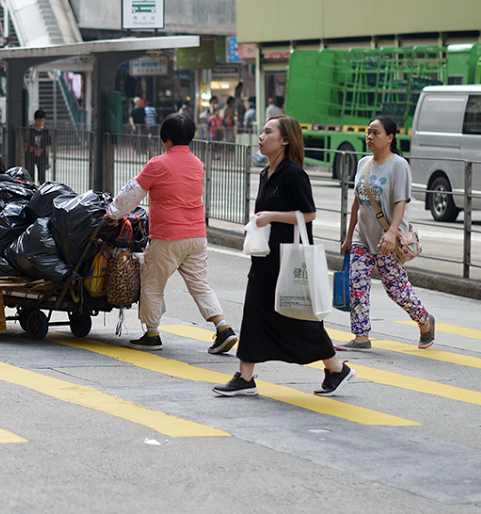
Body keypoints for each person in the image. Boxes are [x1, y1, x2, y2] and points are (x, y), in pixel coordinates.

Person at [213, 116, 355, 398]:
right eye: (262, 131)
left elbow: (309, 213)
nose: (262, 136)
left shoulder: (293, 174)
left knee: (301, 320)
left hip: (288, 261)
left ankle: (337, 369)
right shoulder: (266, 173)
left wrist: (271, 217)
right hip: (265, 257)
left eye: (268, 132)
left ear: (285, 140)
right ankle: (245, 376)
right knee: (254, 313)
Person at [108, 113, 236, 355]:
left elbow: (132, 194)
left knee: (153, 284)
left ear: (164, 138)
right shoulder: (197, 163)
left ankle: (152, 333)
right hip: (197, 236)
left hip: (167, 236)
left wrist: (113, 213)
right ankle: (223, 327)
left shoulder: (157, 164)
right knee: (199, 284)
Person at [338, 117, 436, 351]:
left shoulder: (399, 165)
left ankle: (425, 322)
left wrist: (392, 233)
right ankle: (361, 337)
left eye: (376, 133)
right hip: (364, 236)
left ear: (390, 138)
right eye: (368, 132)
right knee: (357, 283)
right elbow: (356, 204)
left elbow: (401, 202)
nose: (369, 137)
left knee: (396, 290)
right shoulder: (363, 163)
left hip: (388, 239)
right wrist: (349, 236)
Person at [24, 109, 51, 184]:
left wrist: (48, 159)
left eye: (42, 121)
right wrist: (23, 157)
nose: (41, 123)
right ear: (35, 120)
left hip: (41, 156)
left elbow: (47, 146)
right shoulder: (30, 129)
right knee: (30, 176)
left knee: (42, 177)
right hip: (30, 155)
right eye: (39, 121)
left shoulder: (45, 131)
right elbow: (26, 144)